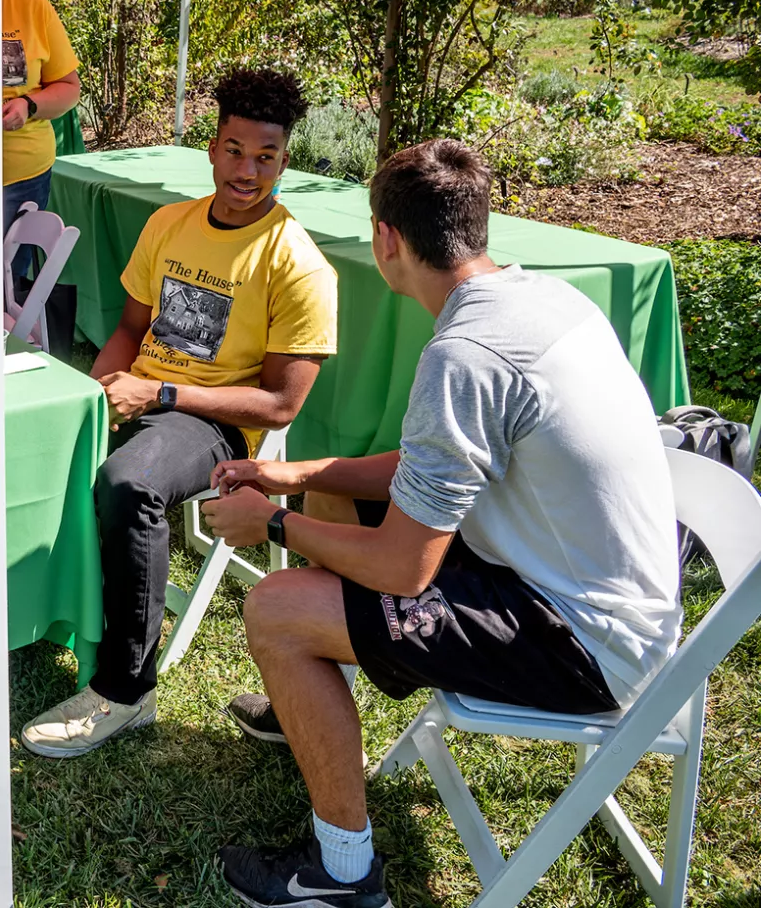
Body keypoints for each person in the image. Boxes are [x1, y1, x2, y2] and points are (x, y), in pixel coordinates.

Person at [201, 139, 679, 908]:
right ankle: (310, 711)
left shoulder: (466, 352)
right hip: (602, 597)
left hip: (588, 643)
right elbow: (435, 468)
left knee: (275, 610)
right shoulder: (539, 299)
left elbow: (401, 569)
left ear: (387, 240)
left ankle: (343, 877)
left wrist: (273, 524)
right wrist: (298, 476)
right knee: (334, 498)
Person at [19, 67, 338, 758]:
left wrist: (159, 395)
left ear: (286, 160)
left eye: (266, 157)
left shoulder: (299, 265)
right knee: (32, 440)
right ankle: (36, 616)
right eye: (234, 150)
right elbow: (133, 328)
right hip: (142, 392)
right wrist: (99, 392)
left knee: (130, 483)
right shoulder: (170, 223)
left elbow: (282, 403)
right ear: (212, 144)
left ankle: (126, 692)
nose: (247, 170)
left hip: (217, 422)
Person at [2, 0, 81, 353]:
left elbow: (68, 87)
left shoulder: (29, 5)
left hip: (18, 176)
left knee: (4, 284)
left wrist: (28, 105)